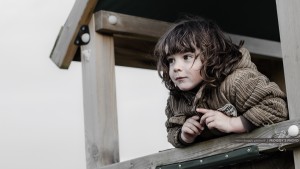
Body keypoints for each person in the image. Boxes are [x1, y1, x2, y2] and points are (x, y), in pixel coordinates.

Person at [154, 17, 288, 148]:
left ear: (212, 56)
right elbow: (171, 130)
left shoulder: (238, 81)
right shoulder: (176, 100)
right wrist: (183, 135)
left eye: (187, 57)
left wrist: (232, 123)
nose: (176, 67)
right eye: (171, 60)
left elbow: (276, 107)